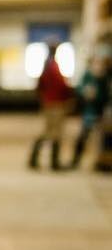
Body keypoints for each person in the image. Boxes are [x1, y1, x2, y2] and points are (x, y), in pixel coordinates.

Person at [28, 41, 73, 170]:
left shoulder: (48, 65)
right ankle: (52, 162)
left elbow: (40, 86)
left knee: (51, 132)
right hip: (55, 104)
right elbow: (61, 85)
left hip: (50, 102)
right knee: (53, 132)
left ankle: (39, 159)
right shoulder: (52, 66)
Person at [70, 56, 109, 168]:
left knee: (100, 140)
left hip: (100, 112)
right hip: (89, 112)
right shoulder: (88, 75)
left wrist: (97, 96)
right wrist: (85, 93)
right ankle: (75, 160)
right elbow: (80, 88)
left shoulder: (104, 78)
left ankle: (100, 161)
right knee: (83, 136)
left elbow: (105, 96)